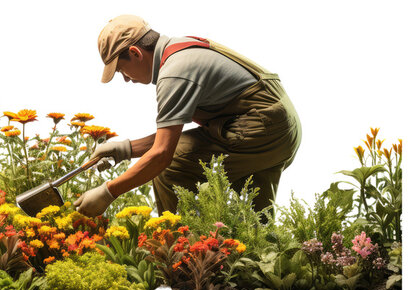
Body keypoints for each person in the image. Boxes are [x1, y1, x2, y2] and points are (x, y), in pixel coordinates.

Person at [74, 15, 301, 218]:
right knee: (256, 222)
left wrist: (108, 192)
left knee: (168, 168)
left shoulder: (175, 73)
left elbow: (162, 154)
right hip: (275, 127)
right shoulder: (179, 50)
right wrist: (125, 149)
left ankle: (181, 250)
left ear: (135, 53)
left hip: (261, 127)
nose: (125, 79)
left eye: (121, 70)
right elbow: (171, 139)